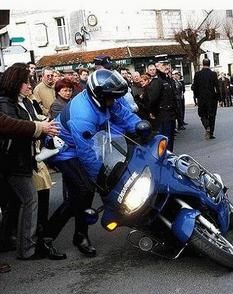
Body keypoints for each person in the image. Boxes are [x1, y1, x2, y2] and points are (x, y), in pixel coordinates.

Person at [46, 69, 142, 257]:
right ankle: (48, 237)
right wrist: (103, 181)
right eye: (111, 98)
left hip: (85, 142)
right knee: (84, 190)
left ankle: (77, 235)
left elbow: (124, 115)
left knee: (81, 194)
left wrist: (142, 129)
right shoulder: (83, 115)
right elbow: (86, 154)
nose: (113, 101)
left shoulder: (105, 97)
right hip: (64, 150)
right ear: (100, 96)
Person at [0, 65, 60, 260]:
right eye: (26, 81)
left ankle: (13, 241)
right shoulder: (5, 102)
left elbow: (30, 121)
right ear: (16, 83)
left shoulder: (21, 101)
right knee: (30, 200)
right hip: (13, 161)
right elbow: (13, 125)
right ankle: (27, 248)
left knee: (17, 202)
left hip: (20, 160)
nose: (29, 85)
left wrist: (44, 125)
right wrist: (40, 127)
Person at [147, 60, 177, 151]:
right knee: (164, 139)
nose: (166, 67)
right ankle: (164, 159)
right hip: (163, 114)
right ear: (157, 67)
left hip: (171, 114)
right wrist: (152, 112)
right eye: (163, 65)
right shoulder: (157, 81)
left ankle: (169, 157)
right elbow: (153, 100)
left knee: (170, 139)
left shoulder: (168, 80)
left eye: (167, 64)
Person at [191, 58, 220, 139]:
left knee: (202, 114)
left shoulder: (197, 74)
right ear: (209, 64)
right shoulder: (213, 74)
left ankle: (206, 126)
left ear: (202, 64)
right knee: (212, 115)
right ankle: (211, 133)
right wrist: (219, 98)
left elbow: (195, 87)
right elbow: (217, 87)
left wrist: (196, 97)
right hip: (212, 99)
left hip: (201, 98)